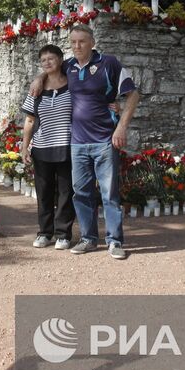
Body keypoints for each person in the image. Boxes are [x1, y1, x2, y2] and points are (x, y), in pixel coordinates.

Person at [64, 22, 140, 260]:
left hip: (105, 141)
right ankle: (88, 239)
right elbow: (48, 79)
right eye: (73, 42)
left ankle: (115, 241)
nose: (77, 46)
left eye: (82, 41)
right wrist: (37, 80)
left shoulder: (109, 63)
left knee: (109, 193)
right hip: (77, 142)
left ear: (92, 43)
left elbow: (133, 94)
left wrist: (121, 127)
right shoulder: (67, 67)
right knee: (81, 193)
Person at [21, 43, 76, 249]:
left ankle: (63, 234)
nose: (47, 63)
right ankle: (44, 232)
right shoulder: (36, 89)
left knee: (65, 193)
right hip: (42, 148)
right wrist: (24, 147)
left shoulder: (73, 86)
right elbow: (29, 121)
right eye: (43, 60)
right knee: (44, 193)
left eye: (51, 58)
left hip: (67, 146)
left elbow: (89, 103)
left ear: (60, 60)